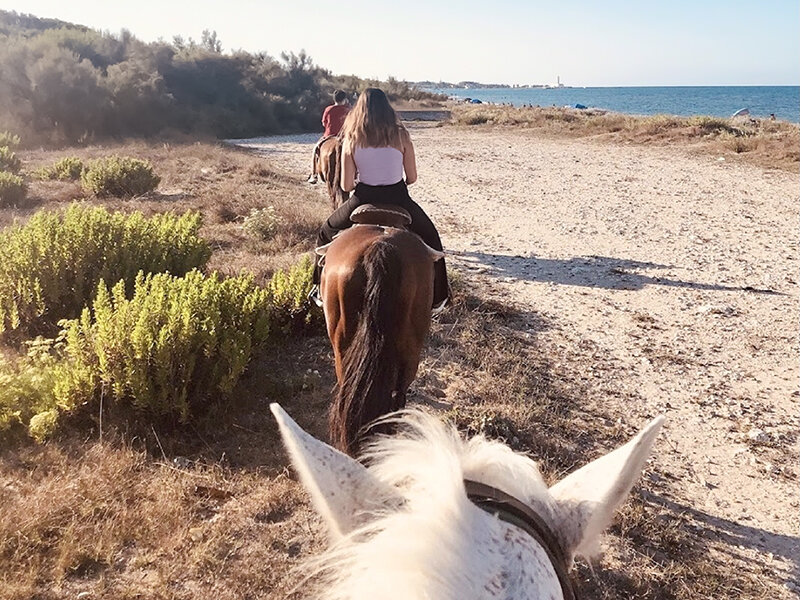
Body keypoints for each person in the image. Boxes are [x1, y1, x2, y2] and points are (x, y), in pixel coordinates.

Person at [309, 88, 449, 312]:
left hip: (363, 197)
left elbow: (346, 185)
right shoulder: (401, 134)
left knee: (325, 231)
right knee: (432, 237)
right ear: (387, 109)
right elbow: (411, 178)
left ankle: (317, 287)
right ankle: (439, 297)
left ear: (359, 109)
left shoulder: (352, 138)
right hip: (399, 197)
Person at [307, 90, 350, 184]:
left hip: (329, 135)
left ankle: (314, 174)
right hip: (345, 137)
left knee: (315, 150)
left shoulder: (328, 109)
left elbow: (324, 123)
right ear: (345, 99)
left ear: (334, 99)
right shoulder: (348, 110)